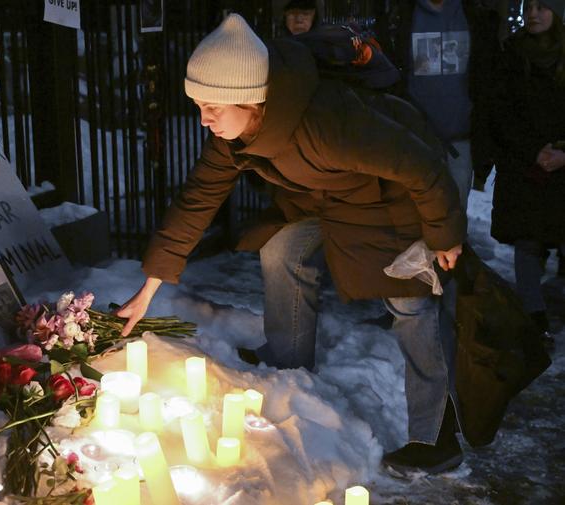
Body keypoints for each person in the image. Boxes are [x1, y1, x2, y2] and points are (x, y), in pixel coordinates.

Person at [116, 13, 466, 474]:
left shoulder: (328, 123)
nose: (204, 119)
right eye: (199, 104)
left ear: (250, 98)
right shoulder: (234, 136)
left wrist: (443, 234)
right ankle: (288, 364)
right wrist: (152, 283)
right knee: (282, 250)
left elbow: (421, 167)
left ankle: (435, 436)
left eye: (213, 106)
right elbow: (197, 199)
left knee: (410, 302)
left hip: (391, 202)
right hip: (326, 200)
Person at [488, 0, 565, 346]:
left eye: (542, 7)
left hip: (561, 161)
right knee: (527, 239)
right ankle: (534, 314)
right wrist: (533, 151)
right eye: (528, 6)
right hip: (524, 163)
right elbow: (500, 112)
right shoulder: (511, 55)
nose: (533, 13)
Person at [379, 0, 504, 208]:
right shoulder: (400, 17)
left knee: (454, 215)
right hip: (416, 138)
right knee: (413, 216)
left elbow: (487, 79)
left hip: (462, 139)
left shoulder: (475, 16)